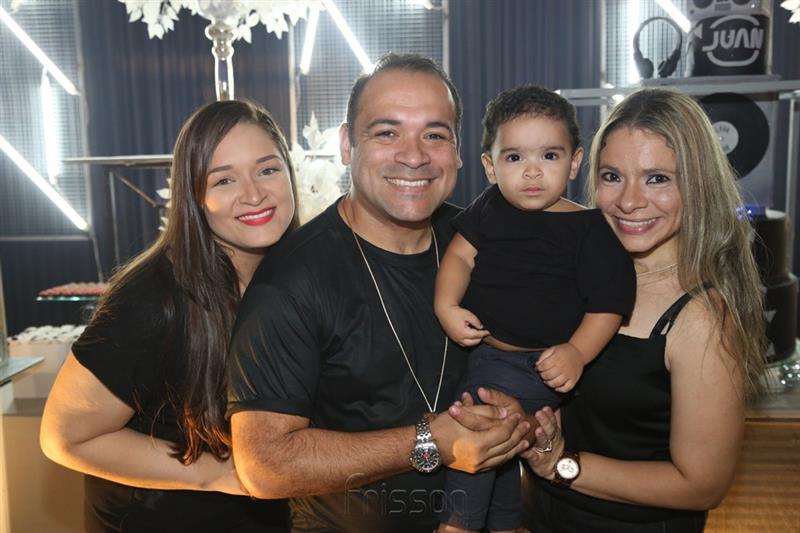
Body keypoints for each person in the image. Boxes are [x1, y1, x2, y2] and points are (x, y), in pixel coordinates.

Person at [227, 53, 531, 533]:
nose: (414, 156)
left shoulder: (485, 246)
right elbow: (264, 465)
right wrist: (430, 442)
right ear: (347, 145)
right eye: (387, 133)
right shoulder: (291, 281)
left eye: (435, 134)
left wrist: (517, 414)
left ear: (457, 152)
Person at [40, 100, 297, 533]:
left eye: (268, 169)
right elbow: (64, 436)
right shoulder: (152, 299)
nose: (254, 194)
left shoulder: (298, 279)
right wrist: (223, 473)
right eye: (224, 179)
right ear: (195, 197)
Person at [521, 88, 766, 533]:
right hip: (543, 515)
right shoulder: (578, 274)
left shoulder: (700, 318)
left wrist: (562, 464)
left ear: (697, 184)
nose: (629, 201)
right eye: (613, 176)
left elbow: (701, 485)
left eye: (657, 178)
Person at [435, 85, 635, 533]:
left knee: (477, 429)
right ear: (490, 167)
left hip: (541, 367)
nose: (532, 171)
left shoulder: (588, 229)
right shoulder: (489, 208)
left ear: (575, 162)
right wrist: (446, 305)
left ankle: (458, 524)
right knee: (502, 443)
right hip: (485, 354)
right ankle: (505, 523)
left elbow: (609, 304)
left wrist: (578, 352)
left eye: (549, 155)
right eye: (514, 157)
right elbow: (460, 257)